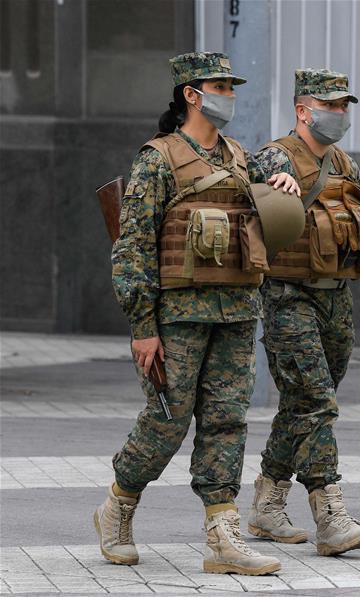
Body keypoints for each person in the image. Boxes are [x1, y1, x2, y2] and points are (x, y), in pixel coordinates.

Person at [96, 52, 301, 575]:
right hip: (177, 317)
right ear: (192, 93)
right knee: (167, 420)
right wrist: (143, 328)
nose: (229, 95)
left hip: (235, 311)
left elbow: (272, 166)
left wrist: (282, 178)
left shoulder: (237, 155)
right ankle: (118, 506)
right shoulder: (158, 158)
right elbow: (132, 248)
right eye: (220, 86)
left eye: (232, 87)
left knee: (227, 421)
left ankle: (222, 535)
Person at [249, 69, 360, 556]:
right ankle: (331, 515)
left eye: (345, 106)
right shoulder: (274, 155)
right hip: (288, 296)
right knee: (318, 401)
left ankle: (267, 501)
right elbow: (246, 198)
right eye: (331, 105)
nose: (340, 114)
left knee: (305, 403)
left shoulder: (344, 161)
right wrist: (270, 182)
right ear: (303, 110)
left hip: (336, 296)